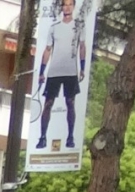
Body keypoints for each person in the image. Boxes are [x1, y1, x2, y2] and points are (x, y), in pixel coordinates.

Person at [36, 0, 84, 153]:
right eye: (65, 4)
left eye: (70, 4)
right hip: (54, 72)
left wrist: (82, 68)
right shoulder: (54, 28)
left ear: (74, 7)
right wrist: (42, 71)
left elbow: (82, 47)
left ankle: (70, 137)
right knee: (48, 103)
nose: (67, 7)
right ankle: (42, 137)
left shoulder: (78, 26)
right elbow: (47, 49)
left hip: (70, 71)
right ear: (62, 7)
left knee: (70, 103)